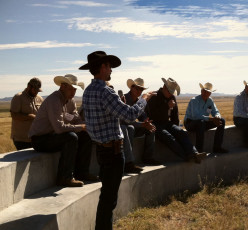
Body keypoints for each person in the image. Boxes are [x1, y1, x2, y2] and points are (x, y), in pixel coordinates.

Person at [78, 51, 152, 230]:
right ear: (103, 67)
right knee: (109, 199)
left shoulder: (88, 91)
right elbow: (129, 115)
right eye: (109, 66)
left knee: (106, 196)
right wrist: (143, 100)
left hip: (102, 151)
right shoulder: (105, 91)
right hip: (113, 152)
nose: (111, 70)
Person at [29, 74, 94, 187]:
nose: (73, 92)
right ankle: (64, 178)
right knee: (71, 138)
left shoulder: (70, 100)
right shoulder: (54, 100)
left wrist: (86, 126)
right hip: (40, 140)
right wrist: (81, 127)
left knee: (85, 135)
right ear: (63, 86)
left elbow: (75, 118)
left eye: (75, 89)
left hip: (53, 137)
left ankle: (82, 172)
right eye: (71, 89)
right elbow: (59, 128)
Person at [146, 78, 208, 163]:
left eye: (172, 92)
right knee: (169, 137)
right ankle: (188, 156)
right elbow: (152, 115)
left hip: (167, 123)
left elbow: (175, 116)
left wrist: (175, 128)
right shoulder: (154, 96)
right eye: (169, 91)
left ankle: (194, 153)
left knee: (181, 132)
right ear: (164, 87)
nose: (170, 94)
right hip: (155, 124)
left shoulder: (171, 97)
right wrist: (166, 106)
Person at [120, 78, 158, 173]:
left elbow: (142, 116)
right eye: (137, 88)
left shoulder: (139, 101)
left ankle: (148, 157)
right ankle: (129, 162)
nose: (139, 91)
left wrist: (147, 123)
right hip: (124, 127)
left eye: (141, 90)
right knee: (130, 128)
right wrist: (142, 124)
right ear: (131, 88)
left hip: (132, 126)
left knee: (151, 128)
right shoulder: (124, 99)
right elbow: (127, 120)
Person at [184, 82, 228, 153]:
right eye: (204, 91)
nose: (205, 93)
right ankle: (199, 151)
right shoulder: (194, 100)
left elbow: (215, 111)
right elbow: (195, 116)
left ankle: (217, 147)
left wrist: (217, 117)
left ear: (210, 93)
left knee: (221, 121)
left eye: (208, 92)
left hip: (203, 122)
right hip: (190, 123)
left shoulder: (210, 101)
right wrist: (211, 119)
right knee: (201, 123)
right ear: (201, 91)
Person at [10, 78, 43, 150]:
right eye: (35, 90)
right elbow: (14, 115)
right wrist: (30, 116)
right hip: (21, 139)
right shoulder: (18, 97)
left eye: (38, 91)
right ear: (29, 87)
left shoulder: (40, 98)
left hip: (36, 137)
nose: (36, 92)